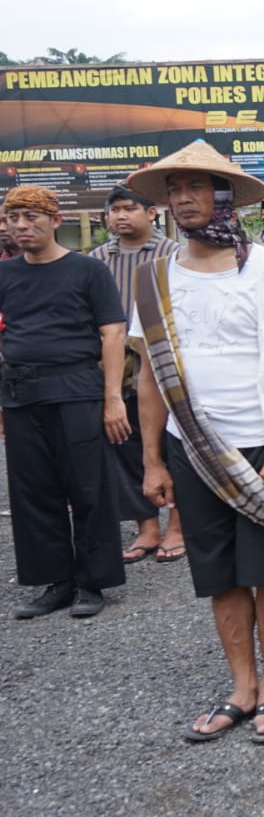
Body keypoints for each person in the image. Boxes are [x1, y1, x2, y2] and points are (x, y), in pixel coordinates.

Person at [122, 142, 264, 742]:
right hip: (190, 447)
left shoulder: (263, 270)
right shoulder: (154, 277)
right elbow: (148, 377)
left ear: (224, 198)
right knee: (219, 575)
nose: (183, 199)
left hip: (259, 446)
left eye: (197, 188)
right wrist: (152, 459)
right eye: (175, 190)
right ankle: (241, 687)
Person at [1, 186, 128, 619]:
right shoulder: (6, 273)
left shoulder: (88, 271)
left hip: (77, 389)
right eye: (13, 218)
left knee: (88, 486)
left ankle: (92, 581)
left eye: (31, 217)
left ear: (55, 220)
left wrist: (113, 399)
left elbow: (112, 333)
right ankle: (56, 581)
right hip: (21, 393)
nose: (21, 226)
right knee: (33, 491)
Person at [90, 185, 185, 565]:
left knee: (173, 444)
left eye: (129, 208)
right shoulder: (96, 259)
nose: (121, 216)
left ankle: (178, 524)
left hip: (165, 362)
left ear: (152, 213)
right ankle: (147, 526)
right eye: (114, 210)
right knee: (124, 444)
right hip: (119, 367)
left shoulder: (173, 254)